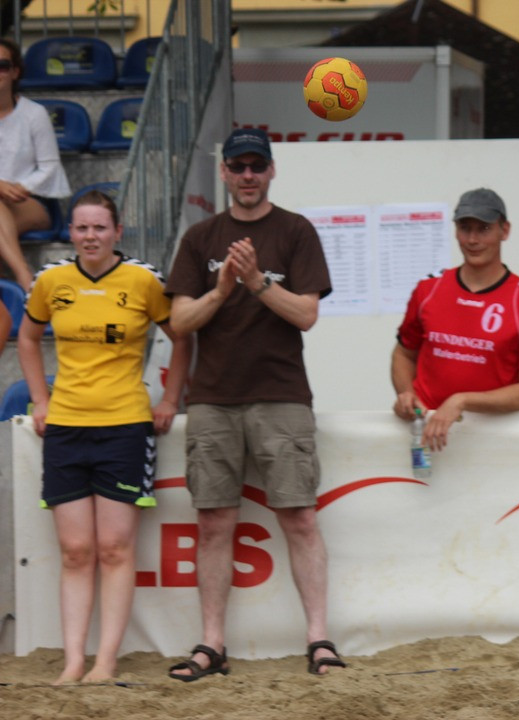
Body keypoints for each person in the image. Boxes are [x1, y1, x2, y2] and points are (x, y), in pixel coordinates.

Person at [164, 128, 345, 679]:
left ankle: (319, 640)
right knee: (215, 522)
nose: (247, 175)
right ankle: (212, 645)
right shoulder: (200, 237)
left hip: (282, 395)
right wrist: (221, 291)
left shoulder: (295, 230)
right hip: (214, 398)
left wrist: (256, 282)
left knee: (299, 518)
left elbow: (307, 315)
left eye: (255, 166)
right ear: (223, 173)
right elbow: (179, 323)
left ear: (271, 170)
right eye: (238, 166)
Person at [16, 190, 191, 684]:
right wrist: (40, 400)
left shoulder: (143, 279)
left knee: (114, 549)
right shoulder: (52, 281)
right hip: (67, 428)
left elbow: (184, 337)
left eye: (99, 227)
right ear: (69, 233)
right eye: (81, 228)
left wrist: (170, 400)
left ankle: (106, 661)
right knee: (75, 551)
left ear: (117, 231)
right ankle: (74, 660)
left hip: (125, 428)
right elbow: (28, 339)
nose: (90, 236)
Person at [391, 188, 519, 451]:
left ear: (505, 231)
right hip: (428, 441)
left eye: (484, 229)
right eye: (465, 228)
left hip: (498, 444)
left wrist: (462, 401)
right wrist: (406, 394)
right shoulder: (428, 288)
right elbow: (403, 354)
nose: (473, 239)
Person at [0, 38, 71, 292]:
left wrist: (18, 188)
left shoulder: (34, 114)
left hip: (32, 202)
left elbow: (50, 167)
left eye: (3, 65)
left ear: (15, 71)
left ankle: (22, 278)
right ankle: (26, 284)